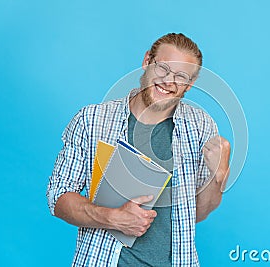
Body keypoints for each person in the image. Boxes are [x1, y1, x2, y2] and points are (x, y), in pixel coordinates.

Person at [47, 32, 231, 267]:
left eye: (181, 76)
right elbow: (58, 197)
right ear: (147, 61)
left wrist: (218, 177)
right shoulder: (92, 120)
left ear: (190, 84)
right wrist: (113, 218)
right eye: (163, 68)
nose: (168, 81)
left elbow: (196, 214)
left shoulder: (201, 126)